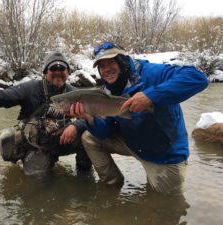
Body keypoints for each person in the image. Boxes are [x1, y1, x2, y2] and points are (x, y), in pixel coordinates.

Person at [70, 41, 209, 195]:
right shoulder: (106, 91)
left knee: (166, 209)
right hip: (134, 144)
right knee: (89, 137)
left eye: (111, 62)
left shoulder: (151, 73)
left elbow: (198, 78)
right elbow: (104, 132)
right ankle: (112, 186)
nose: (106, 69)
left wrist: (151, 96)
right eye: (101, 66)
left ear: (122, 61)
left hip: (165, 154)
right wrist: (90, 119)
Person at [0, 51, 92, 176]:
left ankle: (83, 179)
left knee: (89, 136)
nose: (58, 71)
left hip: (62, 140)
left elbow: (94, 117)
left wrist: (77, 126)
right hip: (37, 146)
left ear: (68, 72)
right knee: (38, 186)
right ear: (45, 72)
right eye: (53, 67)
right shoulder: (30, 89)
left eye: (62, 68)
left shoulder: (75, 93)